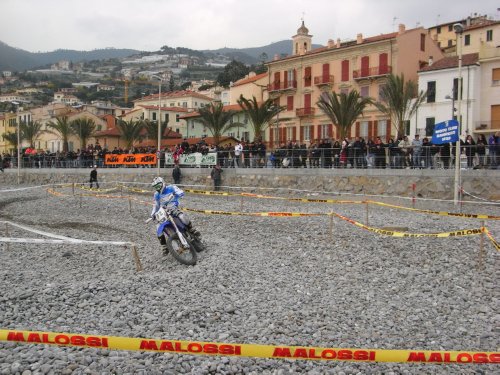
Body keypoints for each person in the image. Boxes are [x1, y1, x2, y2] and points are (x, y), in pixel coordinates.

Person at [150, 177, 200, 251]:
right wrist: (153, 214)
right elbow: (156, 205)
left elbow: (180, 191)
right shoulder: (156, 194)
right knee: (158, 227)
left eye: (158, 186)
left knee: (181, 216)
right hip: (163, 211)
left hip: (173, 207)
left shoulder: (171, 187)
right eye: (156, 187)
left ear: (162, 183)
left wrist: (179, 194)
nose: (158, 188)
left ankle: (191, 228)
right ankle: (164, 247)